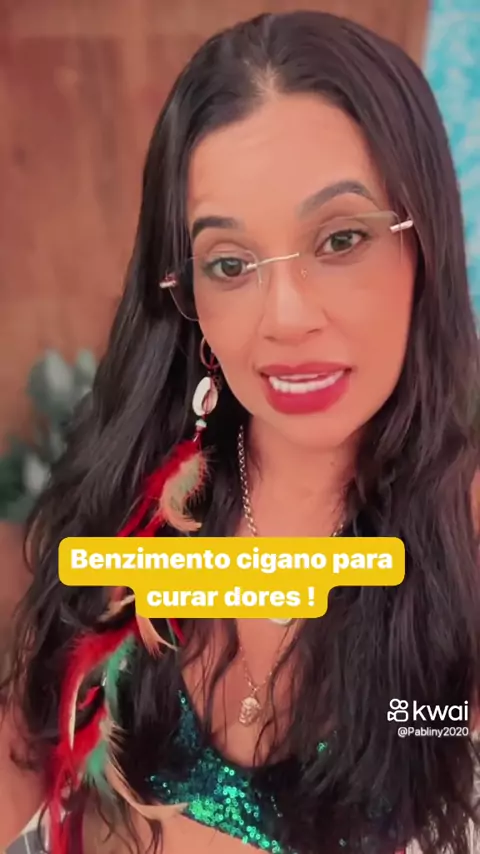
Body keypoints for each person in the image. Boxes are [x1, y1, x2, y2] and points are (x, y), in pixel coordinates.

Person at [3, 9, 480, 854]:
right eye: (230, 264)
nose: (285, 318)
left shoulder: (463, 546)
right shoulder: (138, 493)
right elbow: (42, 765)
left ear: (426, 245)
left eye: (340, 239)